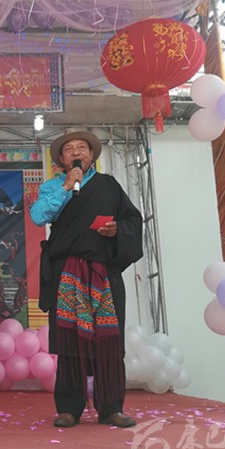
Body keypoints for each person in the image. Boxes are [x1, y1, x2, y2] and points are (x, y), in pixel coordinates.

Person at [31, 130, 143, 429]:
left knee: (109, 340)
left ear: (91, 155)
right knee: (69, 340)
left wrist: (118, 228)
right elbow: (38, 216)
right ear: (61, 159)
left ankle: (111, 408)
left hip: (103, 273)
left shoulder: (109, 185)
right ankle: (69, 408)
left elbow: (133, 220)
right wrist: (66, 186)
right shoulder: (52, 186)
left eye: (82, 147)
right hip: (67, 272)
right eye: (69, 149)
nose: (76, 152)